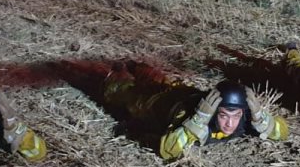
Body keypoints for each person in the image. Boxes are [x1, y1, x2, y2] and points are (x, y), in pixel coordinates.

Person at [100, 61, 289, 160]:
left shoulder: (245, 119)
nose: (230, 124)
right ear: (215, 112)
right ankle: (118, 71)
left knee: (160, 80)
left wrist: (264, 120)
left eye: (236, 116)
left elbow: (283, 132)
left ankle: (139, 67)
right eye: (224, 116)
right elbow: (168, 149)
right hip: (158, 103)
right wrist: (197, 122)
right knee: (120, 93)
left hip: (182, 91)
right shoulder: (196, 117)